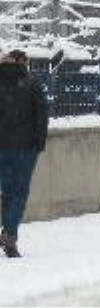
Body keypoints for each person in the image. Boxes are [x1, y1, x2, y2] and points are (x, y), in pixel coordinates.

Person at [0, 49, 48, 258]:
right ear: (22, 61)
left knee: (6, 191)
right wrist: (39, 143)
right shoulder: (32, 83)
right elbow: (42, 114)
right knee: (19, 193)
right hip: (24, 148)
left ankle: (7, 233)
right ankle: (9, 236)